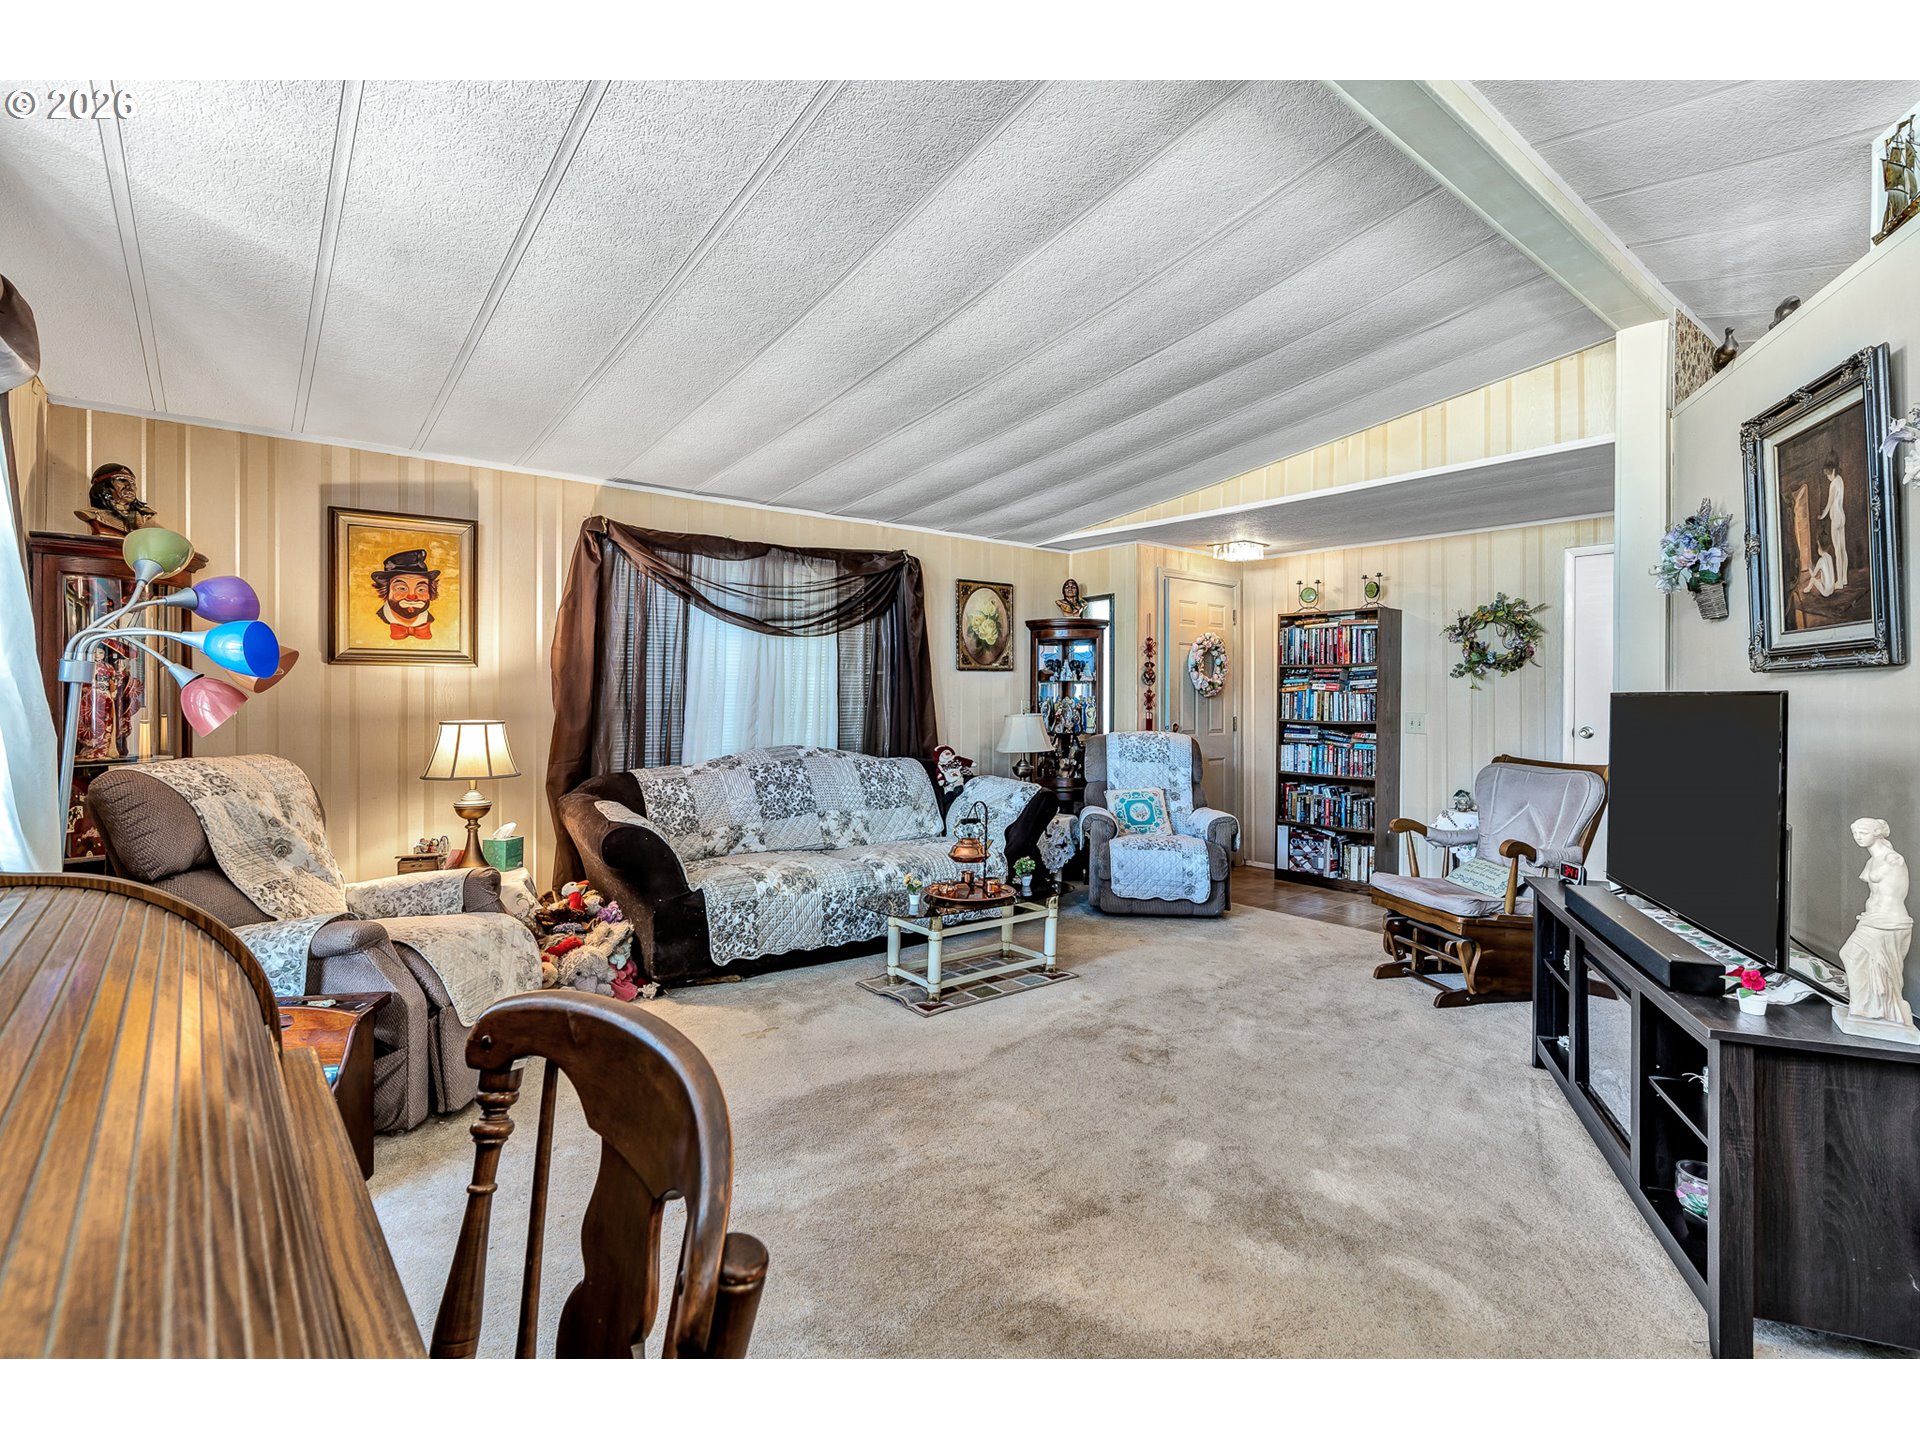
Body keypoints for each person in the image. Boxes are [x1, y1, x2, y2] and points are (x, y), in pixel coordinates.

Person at [370, 549, 441, 640]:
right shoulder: (373, 621)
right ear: (386, 591)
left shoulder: (436, 621)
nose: (412, 596)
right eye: (402, 588)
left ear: (430, 592)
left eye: (421, 589)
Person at [1817, 453, 1848, 589]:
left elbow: (1829, 504)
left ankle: (1839, 582)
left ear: (1833, 471)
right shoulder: (1840, 480)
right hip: (1842, 516)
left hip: (1835, 518)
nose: (1828, 477)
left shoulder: (1833, 484)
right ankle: (1845, 578)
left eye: (1828, 474)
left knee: (1837, 551)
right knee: (1843, 549)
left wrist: (1822, 516)